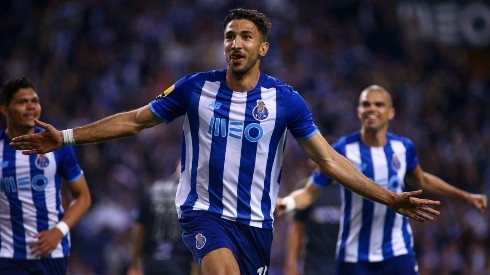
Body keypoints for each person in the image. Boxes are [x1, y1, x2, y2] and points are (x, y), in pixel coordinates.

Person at [10, 9, 441, 275]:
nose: (235, 43)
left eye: (245, 37)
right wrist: (65, 136)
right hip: (203, 215)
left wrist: (389, 197)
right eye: (229, 37)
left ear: (263, 48)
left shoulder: (285, 100)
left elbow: (328, 160)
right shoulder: (194, 88)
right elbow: (133, 122)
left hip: (256, 226)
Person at [277, 85, 488, 275]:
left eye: (379, 104)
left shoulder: (404, 148)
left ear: (391, 112)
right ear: (359, 111)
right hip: (354, 256)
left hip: (397, 252)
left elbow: (422, 179)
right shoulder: (342, 149)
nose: (371, 109)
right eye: (366, 104)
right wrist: (287, 203)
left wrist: (465, 196)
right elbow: (309, 192)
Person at [0, 76, 91, 275]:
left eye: (35, 101)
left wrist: (59, 231)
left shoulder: (57, 145)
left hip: (52, 255)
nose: (31, 107)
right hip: (8, 256)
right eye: (23, 102)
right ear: (5, 109)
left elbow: (83, 197)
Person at [127, 160, 195, 275]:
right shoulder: (192, 195)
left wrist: (134, 265)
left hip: (152, 262)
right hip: (180, 262)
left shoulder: (151, 189)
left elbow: (138, 231)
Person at [283, 159, 341, 275]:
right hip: (314, 265)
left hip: (345, 264)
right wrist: (291, 264)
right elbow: (295, 229)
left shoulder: (349, 190)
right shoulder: (305, 188)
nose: (310, 162)